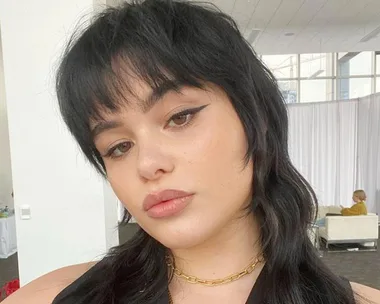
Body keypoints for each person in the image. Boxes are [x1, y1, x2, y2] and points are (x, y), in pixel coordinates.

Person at [4, 1, 380, 303]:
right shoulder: (51, 296)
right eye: (118, 147)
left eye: (180, 117)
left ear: (256, 118)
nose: (147, 165)